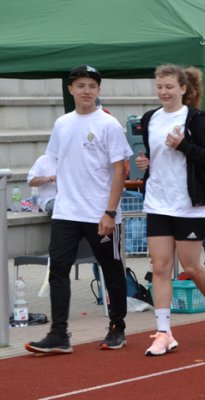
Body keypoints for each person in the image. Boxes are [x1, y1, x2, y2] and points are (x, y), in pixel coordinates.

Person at [26, 64, 133, 355]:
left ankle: (117, 327)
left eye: (92, 86)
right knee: (58, 270)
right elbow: (55, 162)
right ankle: (59, 333)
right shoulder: (62, 124)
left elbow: (119, 172)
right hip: (66, 213)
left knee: (111, 270)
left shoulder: (108, 124)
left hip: (101, 213)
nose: (87, 91)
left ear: (98, 90)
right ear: (71, 89)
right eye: (81, 85)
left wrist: (110, 212)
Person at [133, 64, 205, 356]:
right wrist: (146, 164)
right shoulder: (149, 119)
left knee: (191, 266)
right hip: (158, 201)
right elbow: (156, 156)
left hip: (189, 204)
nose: (164, 92)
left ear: (183, 89)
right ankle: (163, 332)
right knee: (160, 267)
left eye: (169, 87)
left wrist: (184, 145)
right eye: (160, 87)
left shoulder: (196, 118)